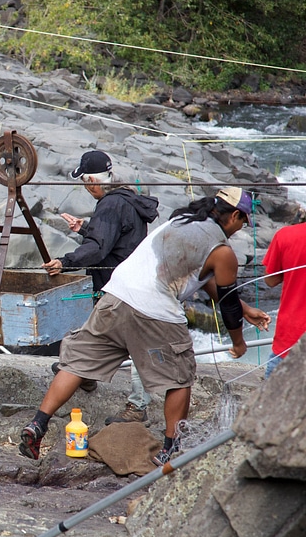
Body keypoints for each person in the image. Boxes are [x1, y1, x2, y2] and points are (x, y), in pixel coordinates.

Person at [20, 187, 270, 465]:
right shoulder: (223, 251)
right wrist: (238, 342)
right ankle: (169, 450)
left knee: (77, 364)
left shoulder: (179, 221)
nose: (241, 228)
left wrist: (247, 310)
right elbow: (228, 303)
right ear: (234, 215)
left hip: (115, 296)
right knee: (179, 377)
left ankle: (37, 425)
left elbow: (203, 277)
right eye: (243, 221)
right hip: (155, 311)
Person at [44, 151, 159, 411]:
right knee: (97, 335)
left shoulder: (109, 204)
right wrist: (85, 228)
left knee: (132, 343)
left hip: (118, 287)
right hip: (130, 282)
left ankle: (137, 406)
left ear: (93, 181)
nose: (86, 189)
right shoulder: (127, 198)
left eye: (85, 183)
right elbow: (116, 239)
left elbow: (98, 248)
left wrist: (66, 262)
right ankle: (83, 374)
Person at [263, 221, 306, 377]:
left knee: (274, 401)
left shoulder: (286, 236)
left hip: (289, 343)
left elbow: (270, 280)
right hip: (290, 343)